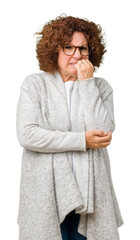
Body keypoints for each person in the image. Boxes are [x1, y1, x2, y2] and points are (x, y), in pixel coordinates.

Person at [16, 15, 124, 240]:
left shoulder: (100, 87)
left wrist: (86, 84)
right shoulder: (34, 85)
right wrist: (82, 140)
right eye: (68, 47)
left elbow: (104, 132)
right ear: (53, 50)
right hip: (46, 197)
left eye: (83, 48)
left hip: (90, 200)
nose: (77, 55)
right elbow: (28, 135)